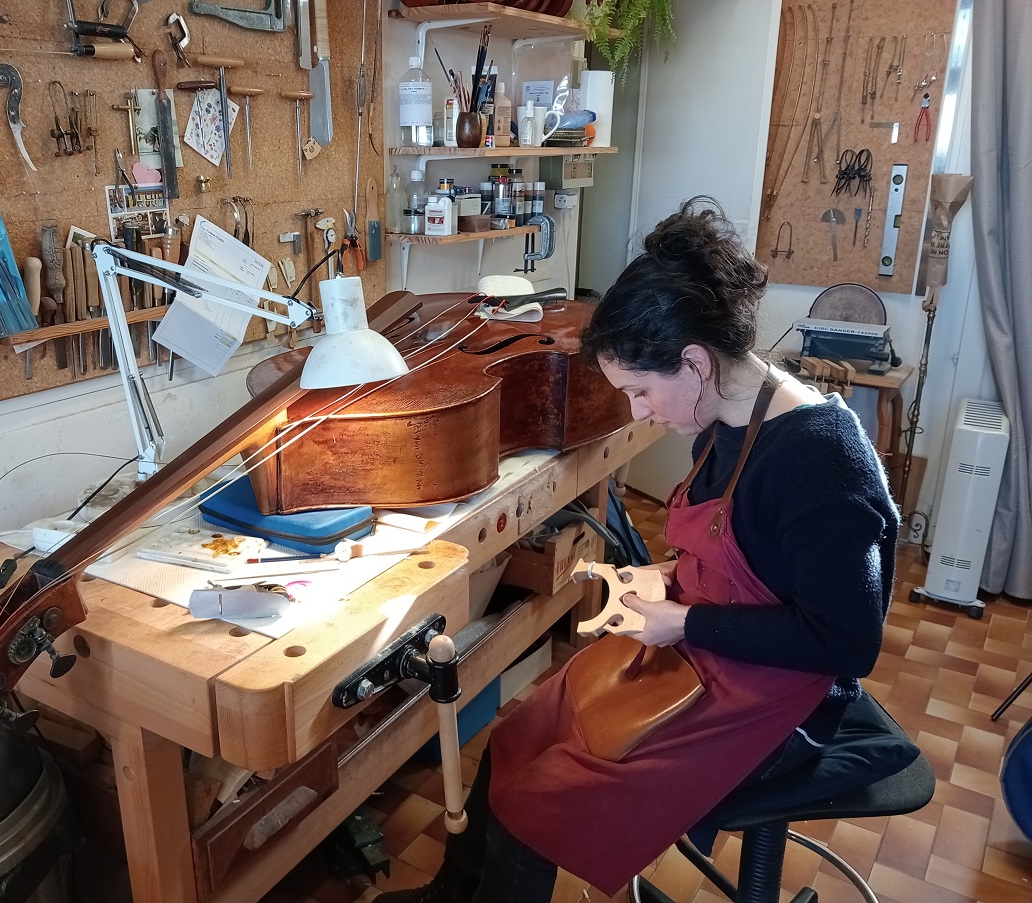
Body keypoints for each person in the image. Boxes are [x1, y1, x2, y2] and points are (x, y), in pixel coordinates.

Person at [375, 198, 899, 903]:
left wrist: (684, 620)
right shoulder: (727, 414)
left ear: (694, 361)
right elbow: (749, 557)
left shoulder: (819, 458)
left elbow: (847, 641)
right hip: (712, 652)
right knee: (517, 738)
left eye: (641, 391)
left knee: (543, 804)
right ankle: (453, 896)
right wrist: (663, 577)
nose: (637, 412)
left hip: (780, 700)